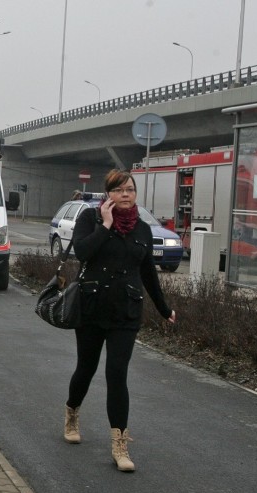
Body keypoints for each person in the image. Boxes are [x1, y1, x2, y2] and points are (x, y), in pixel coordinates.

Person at [64, 169, 176, 473]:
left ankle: (120, 445)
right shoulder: (90, 218)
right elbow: (83, 252)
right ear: (108, 193)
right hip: (91, 309)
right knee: (86, 368)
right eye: (118, 190)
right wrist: (107, 225)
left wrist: (165, 309)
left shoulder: (142, 229)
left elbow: (148, 272)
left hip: (125, 311)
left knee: (117, 373)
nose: (125, 195)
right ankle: (72, 413)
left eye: (130, 189)